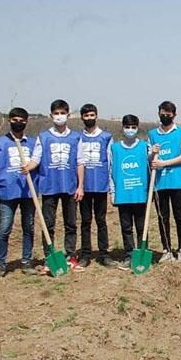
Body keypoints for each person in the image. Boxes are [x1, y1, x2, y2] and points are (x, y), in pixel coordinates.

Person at [25, 99, 84, 272]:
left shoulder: (75, 137)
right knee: (48, 224)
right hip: (49, 186)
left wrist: (80, 186)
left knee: (71, 223)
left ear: (68, 114)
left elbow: (80, 162)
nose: (59, 116)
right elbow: (36, 159)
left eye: (62, 113)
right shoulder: (43, 137)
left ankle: (71, 256)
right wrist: (27, 167)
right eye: (56, 113)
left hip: (70, 186)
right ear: (51, 115)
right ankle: (49, 257)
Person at [0, 107, 38, 277]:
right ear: (9, 121)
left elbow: (38, 164)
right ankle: (0, 264)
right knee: (4, 229)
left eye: (22, 120)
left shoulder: (33, 143)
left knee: (28, 227)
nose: (18, 123)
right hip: (8, 193)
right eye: (15, 120)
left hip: (28, 193)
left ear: (26, 122)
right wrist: (2, 178)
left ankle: (26, 261)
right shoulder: (0, 142)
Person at [148, 101, 181, 263]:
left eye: (168, 113)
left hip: (177, 181)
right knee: (162, 216)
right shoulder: (153, 134)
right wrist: (152, 154)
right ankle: (166, 249)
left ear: (174, 114)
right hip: (159, 183)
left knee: (179, 215)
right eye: (162, 113)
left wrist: (164, 163)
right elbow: (149, 159)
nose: (165, 116)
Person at [108, 114, 149, 270]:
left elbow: (152, 165)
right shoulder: (115, 148)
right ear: (122, 128)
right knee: (126, 228)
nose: (130, 130)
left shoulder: (145, 147)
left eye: (133, 127)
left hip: (140, 194)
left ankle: (142, 253)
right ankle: (129, 255)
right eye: (127, 127)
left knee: (141, 226)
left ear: (137, 128)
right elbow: (111, 171)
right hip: (123, 194)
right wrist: (112, 192)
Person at [78, 103, 114, 268]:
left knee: (101, 220)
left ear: (97, 116)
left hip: (100, 185)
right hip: (84, 187)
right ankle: (85, 254)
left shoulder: (106, 137)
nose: (89, 118)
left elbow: (110, 162)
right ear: (82, 118)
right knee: (85, 221)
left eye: (92, 115)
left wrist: (110, 185)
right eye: (86, 116)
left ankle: (104, 253)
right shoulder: (78, 137)